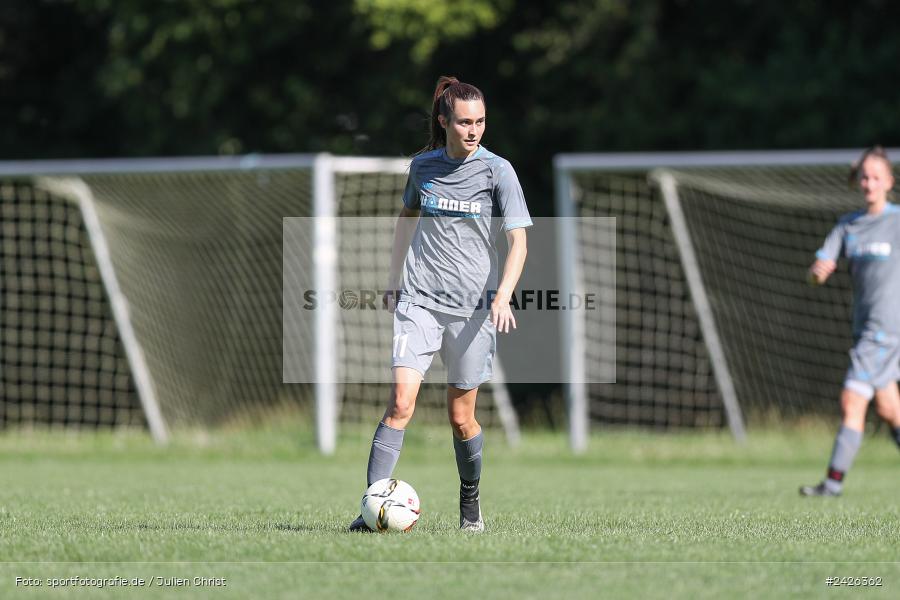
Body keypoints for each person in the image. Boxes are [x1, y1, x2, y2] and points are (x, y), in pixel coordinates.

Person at [349, 76, 531, 530]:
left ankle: (470, 501)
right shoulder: (422, 167)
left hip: (472, 312)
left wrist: (503, 295)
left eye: (481, 122)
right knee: (400, 403)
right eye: (465, 122)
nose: (474, 130)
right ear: (444, 121)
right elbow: (405, 219)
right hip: (420, 301)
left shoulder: (498, 171)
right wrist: (394, 279)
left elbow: (519, 241)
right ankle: (370, 510)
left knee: (460, 417)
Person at [801, 145, 900, 496]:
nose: (869, 184)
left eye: (876, 177)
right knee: (890, 410)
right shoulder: (848, 226)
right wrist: (818, 272)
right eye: (864, 177)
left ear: (889, 181)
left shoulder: (897, 221)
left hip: (886, 331)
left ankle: (832, 484)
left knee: (852, 400)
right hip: (866, 331)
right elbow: (817, 271)